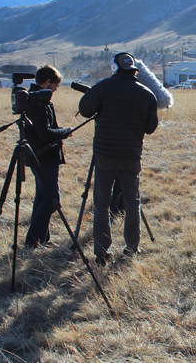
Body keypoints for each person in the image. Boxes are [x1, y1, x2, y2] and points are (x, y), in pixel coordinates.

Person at [79, 52, 158, 266]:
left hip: (105, 154)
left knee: (102, 204)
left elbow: (84, 109)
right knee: (132, 202)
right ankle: (132, 248)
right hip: (131, 155)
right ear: (134, 69)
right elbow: (150, 128)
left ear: (115, 68)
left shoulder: (104, 87)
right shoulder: (147, 94)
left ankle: (101, 252)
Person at [23, 65, 72, 248]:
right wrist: (64, 132)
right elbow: (44, 133)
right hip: (44, 157)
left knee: (42, 197)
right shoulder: (38, 101)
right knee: (52, 201)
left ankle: (41, 240)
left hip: (38, 156)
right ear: (47, 82)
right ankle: (32, 239)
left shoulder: (34, 97)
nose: (56, 89)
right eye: (55, 85)